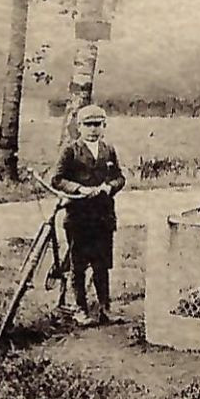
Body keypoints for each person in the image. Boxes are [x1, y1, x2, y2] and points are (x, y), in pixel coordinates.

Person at [50, 104, 127, 325]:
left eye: (98, 125)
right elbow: (57, 179)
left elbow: (120, 177)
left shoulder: (108, 150)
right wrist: (79, 189)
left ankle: (105, 309)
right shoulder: (71, 151)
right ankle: (80, 309)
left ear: (104, 126)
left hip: (103, 216)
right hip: (79, 216)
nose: (93, 129)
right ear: (79, 127)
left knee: (102, 264)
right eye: (88, 125)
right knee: (79, 265)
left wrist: (109, 187)